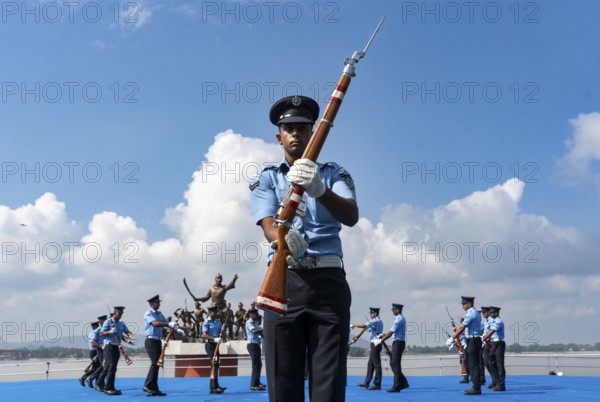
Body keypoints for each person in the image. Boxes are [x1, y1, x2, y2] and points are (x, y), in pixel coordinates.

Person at [249, 95, 359, 402]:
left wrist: (319, 190)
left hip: (328, 281)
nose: (296, 132)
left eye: (302, 127)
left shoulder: (333, 174)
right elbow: (268, 224)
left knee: (329, 383)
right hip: (284, 282)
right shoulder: (267, 177)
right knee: (283, 383)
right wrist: (280, 242)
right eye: (289, 127)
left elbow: (350, 215)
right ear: (279, 136)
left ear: (313, 132)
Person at [143, 295, 179, 396]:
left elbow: (167, 323)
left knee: (158, 364)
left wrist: (177, 329)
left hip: (158, 341)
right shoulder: (148, 313)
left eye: (159, 302)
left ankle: (154, 388)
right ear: (151, 304)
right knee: (155, 362)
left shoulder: (159, 313)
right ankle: (147, 385)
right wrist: (169, 324)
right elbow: (155, 323)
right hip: (150, 340)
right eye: (157, 302)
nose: (159, 304)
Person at [451, 296, 483, 395]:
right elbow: (462, 327)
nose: (462, 306)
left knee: (474, 365)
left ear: (469, 303)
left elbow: (462, 327)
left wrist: (452, 338)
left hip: (473, 340)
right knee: (470, 365)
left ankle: (476, 388)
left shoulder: (472, 313)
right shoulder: (471, 313)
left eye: (464, 304)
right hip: (471, 340)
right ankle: (475, 386)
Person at [100, 306, 134, 396]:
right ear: (114, 313)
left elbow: (126, 331)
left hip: (116, 347)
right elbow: (101, 334)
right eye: (119, 313)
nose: (120, 315)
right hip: (109, 346)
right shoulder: (108, 322)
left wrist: (130, 335)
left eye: (121, 314)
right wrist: (109, 332)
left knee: (114, 367)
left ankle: (112, 387)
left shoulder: (121, 323)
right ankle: (107, 388)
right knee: (111, 366)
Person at [349, 307, 384, 390]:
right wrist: (355, 338)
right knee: (370, 364)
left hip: (376, 343)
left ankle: (377, 384)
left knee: (376, 364)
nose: (370, 314)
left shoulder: (376, 320)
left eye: (371, 313)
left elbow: (363, 325)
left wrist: (353, 324)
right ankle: (366, 382)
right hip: (373, 343)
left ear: (375, 313)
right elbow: (365, 329)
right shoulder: (374, 322)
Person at [379, 303, 409, 393]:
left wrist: (381, 340)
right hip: (396, 342)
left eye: (394, 309)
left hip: (399, 343)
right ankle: (403, 382)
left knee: (395, 364)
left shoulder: (399, 319)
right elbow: (390, 331)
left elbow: (391, 333)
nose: (392, 311)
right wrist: (383, 334)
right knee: (393, 363)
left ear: (398, 310)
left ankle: (396, 386)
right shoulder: (397, 319)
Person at [202, 305, 228, 394]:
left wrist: (226, 339)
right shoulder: (206, 322)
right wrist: (214, 339)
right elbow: (204, 335)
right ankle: (213, 387)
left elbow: (222, 332)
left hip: (216, 345)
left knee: (216, 365)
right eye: (214, 312)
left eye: (216, 312)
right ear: (209, 312)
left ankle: (215, 386)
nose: (216, 313)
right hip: (210, 345)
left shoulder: (218, 322)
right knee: (214, 364)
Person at [483, 306, 506, 391]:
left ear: (496, 313)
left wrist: (485, 338)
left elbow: (492, 331)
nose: (490, 313)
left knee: (500, 365)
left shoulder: (498, 321)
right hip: (492, 343)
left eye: (492, 312)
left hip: (498, 343)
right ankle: (496, 381)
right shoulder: (492, 320)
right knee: (491, 363)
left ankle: (501, 385)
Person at [245, 308, 266, 391]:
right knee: (255, 364)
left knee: (259, 364)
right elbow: (254, 331)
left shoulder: (256, 323)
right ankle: (253, 385)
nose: (257, 316)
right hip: (252, 344)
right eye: (256, 315)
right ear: (252, 315)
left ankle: (257, 382)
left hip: (256, 344)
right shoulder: (249, 322)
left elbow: (261, 333)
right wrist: (263, 329)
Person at [87, 315, 107, 390]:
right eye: (103, 320)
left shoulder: (105, 328)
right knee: (102, 366)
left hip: (105, 349)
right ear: (100, 322)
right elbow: (92, 343)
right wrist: (102, 347)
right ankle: (91, 379)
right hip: (98, 350)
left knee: (104, 367)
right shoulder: (97, 331)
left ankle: (101, 384)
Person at [79, 321, 101, 387]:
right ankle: (84, 378)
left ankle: (98, 383)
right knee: (95, 368)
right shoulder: (94, 333)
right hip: (94, 351)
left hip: (96, 351)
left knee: (99, 368)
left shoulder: (94, 333)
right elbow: (93, 344)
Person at [481, 306, 492, 385]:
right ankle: (494, 380)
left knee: (492, 363)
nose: (483, 314)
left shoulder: (492, 321)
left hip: (491, 343)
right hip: (485, 343)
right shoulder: (485, 321)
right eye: (483, 313)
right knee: (486, 363)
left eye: (484, 312)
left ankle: (497, 381)